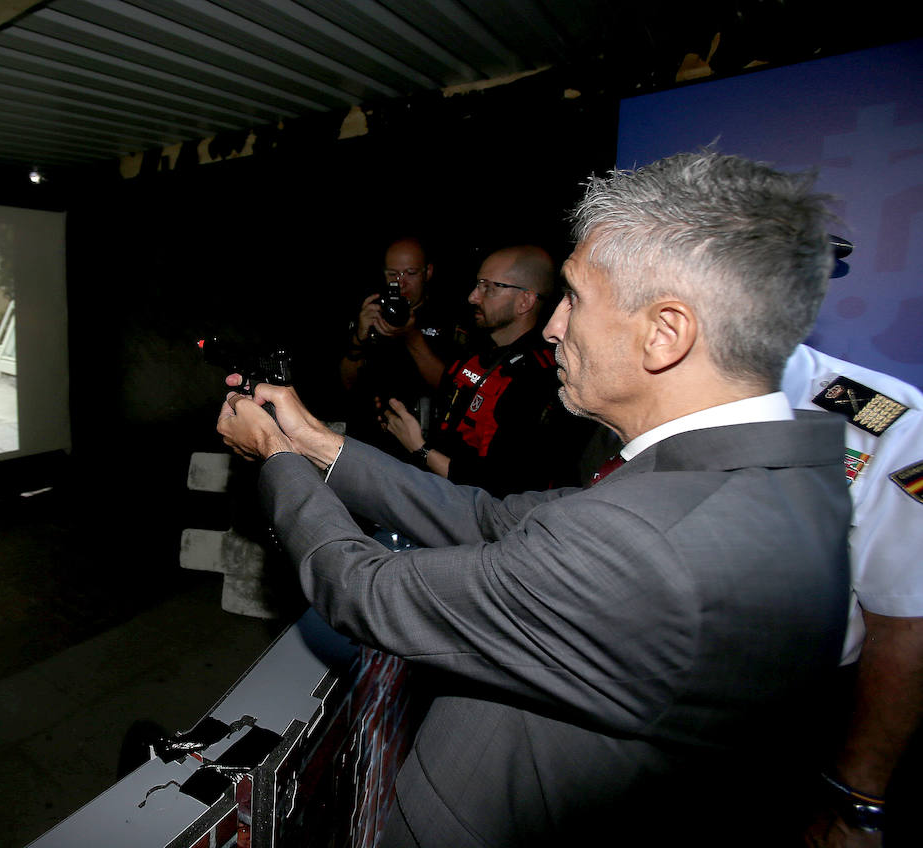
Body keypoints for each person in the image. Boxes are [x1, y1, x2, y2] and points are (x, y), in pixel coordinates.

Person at [215, 150, 852, 846]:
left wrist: (277, 458)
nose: (553, 327)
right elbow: (487, 517)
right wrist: (313, 441)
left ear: (665, 333)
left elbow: (366, 592)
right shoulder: (761, 476)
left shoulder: (647, 544)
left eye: (574, 298)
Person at [782, 344, 923, 847]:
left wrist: (854, 800)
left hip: (782, 715)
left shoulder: (884, 420)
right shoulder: (608, 380)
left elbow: (906, 622)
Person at [381, 244, 592, 494]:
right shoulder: (478, 349)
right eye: (478, 284)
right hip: (439, 494)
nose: (473, 297)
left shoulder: (538, 378)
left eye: (488, 287)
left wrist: (420, 449)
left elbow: (501, 485)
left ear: (525, 301)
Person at [339, 236, 460, 459]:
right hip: (369, 445)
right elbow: (346, 383)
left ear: (428, 272)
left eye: (410, 273)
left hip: (423, 448)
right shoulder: (371, 310)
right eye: (393, 274)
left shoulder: (450, 317)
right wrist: (359, 339)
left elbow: (454, 389)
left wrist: (411, 337)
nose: (401, 283)